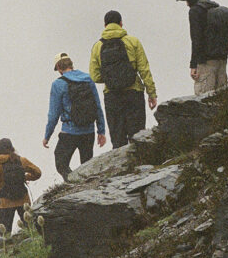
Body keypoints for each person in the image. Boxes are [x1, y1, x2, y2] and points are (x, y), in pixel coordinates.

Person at [89, 11, 157, 148]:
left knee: (118, 139)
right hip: (134, 93)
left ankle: (122, 168)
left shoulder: (97, 46)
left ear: (104, 25)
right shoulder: (133, 42)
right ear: (121, 23)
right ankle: (139, 167)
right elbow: (144, 69)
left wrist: (111, 78)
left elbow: (95, 76)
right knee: (137, 136)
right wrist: (151, 93)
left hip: (112, 96)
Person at [43, 53, 107, 180]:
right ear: (71, 65)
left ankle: (74, 183)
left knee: (61, 163)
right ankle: (87, 188)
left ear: (59, 67)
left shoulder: (58, 84)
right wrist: (101, 131)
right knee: (87, 166)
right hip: (88, 131)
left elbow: (53, 114)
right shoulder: (88, 79)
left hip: (69, 132)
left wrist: (47, 136)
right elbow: (97, 106)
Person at [177, 0, 228, 95]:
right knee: (221, 98)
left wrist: (193, 65)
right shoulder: (214, 7)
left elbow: (196, 39)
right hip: (222, 59)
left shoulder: (195, 11)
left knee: (203, 98)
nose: (186, 4)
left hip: (206, 62)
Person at [0, 138, 42, 233]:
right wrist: (26, 177)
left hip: (5, 202)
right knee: (31, 229)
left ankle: (8, 247)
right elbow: (38, 172)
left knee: (5, 234)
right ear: (12, 148)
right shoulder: (21, 160)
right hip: (23, 200)